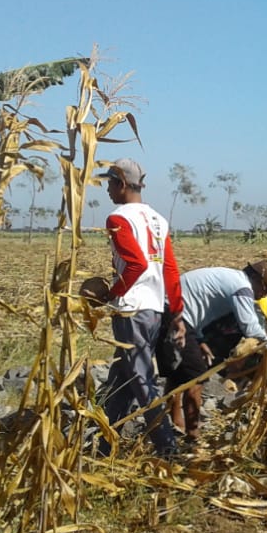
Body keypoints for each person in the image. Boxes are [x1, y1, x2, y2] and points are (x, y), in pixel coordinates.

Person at [95, 158, 183, 454]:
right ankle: (107, 446)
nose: (107, 189)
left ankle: (167, 448)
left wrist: (110, 294)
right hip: (154, 310)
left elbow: (136, 264)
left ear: (121, 184)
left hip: (131, 310)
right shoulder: (158, 219)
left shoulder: (117, 219)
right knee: (120, 381)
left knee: (144, 383)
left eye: (109, 183)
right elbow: (169, 268)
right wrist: (177, 311)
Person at [158, 261, 267, 441]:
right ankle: (193, 437)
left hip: (171, 310)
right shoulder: (242, 288)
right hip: (175, 315)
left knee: (180, 370)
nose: (264, 295)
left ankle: (175, 423)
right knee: (196, 376)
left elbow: (195, 305)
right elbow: (250, 327)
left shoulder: (231, 277)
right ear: (257, 280)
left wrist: (199, 340)